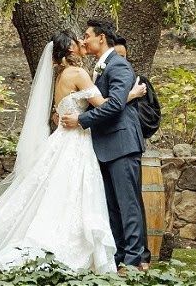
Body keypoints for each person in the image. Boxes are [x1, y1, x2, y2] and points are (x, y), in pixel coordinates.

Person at [0, 31, 144, 272]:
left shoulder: (60, 77)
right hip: (76, 142)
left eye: (85, 37)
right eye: (77, 40)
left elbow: (65, 109)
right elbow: (106, 105)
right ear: (70, 50)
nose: (82, 41)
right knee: (73, 195)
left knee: (59, 195)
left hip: (64, 139)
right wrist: (131, 94)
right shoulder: (78, 73)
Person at [60, 18, 150, 272]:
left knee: (128, 203)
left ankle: (134, 260)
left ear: (101, 38)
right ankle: (120, 256)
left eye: (87, 35)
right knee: (112, 206)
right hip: (105, 146)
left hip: (122, 143)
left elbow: (114, 104)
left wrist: (82, 119)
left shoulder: (119, 65)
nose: (84, 40)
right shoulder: (101, 67)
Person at [113, 34, 161, 141]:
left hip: (132, 139)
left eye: (122, 57)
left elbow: (152, 117)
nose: (118, 61)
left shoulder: (140, 82)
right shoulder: (100, 82)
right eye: (114, 57)